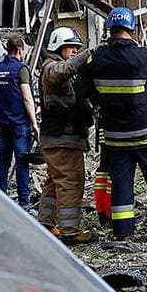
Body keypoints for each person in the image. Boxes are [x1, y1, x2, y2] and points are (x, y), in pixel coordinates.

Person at [80, 8, 147, 239]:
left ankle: (123, 232)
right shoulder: (143, 56)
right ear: (131, 28)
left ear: (109, 30)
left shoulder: (96, 59)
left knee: (122, 182)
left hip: (116, 135)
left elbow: (84, 91)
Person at [36, 27, 93, 243]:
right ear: (58, 47)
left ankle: (46, 223)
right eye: (72, 48)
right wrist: (88, 54)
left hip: (61, 138)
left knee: (54, 181)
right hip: (63, 139)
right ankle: (70, 231)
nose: (75, 52)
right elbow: (61, 71)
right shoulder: (51, 68)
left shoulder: (63, 71)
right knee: (71, 181)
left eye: (78, 48)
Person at [0, 35, 37, 208]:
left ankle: (0, 199)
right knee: (22, 162)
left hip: (2, 124)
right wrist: (34, 123)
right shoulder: (21, 69)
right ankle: (24, 202)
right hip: (19, 124)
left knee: (3, 161)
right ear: (20, 50)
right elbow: (27, 98)